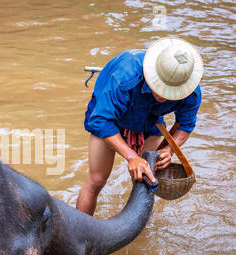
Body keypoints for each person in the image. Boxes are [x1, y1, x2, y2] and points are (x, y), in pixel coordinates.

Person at [76, 37, 203, 216]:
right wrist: (131, 157)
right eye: (159, 87)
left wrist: (168, 150)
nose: (163, 96)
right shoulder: (125, 76)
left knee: (146, 181)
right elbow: (101, 120)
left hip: (150, 123)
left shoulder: (191, 92)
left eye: (170, 92)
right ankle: (80, 236)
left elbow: (186, 124)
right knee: (96, 180)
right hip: (110, 121)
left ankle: (143, 236)